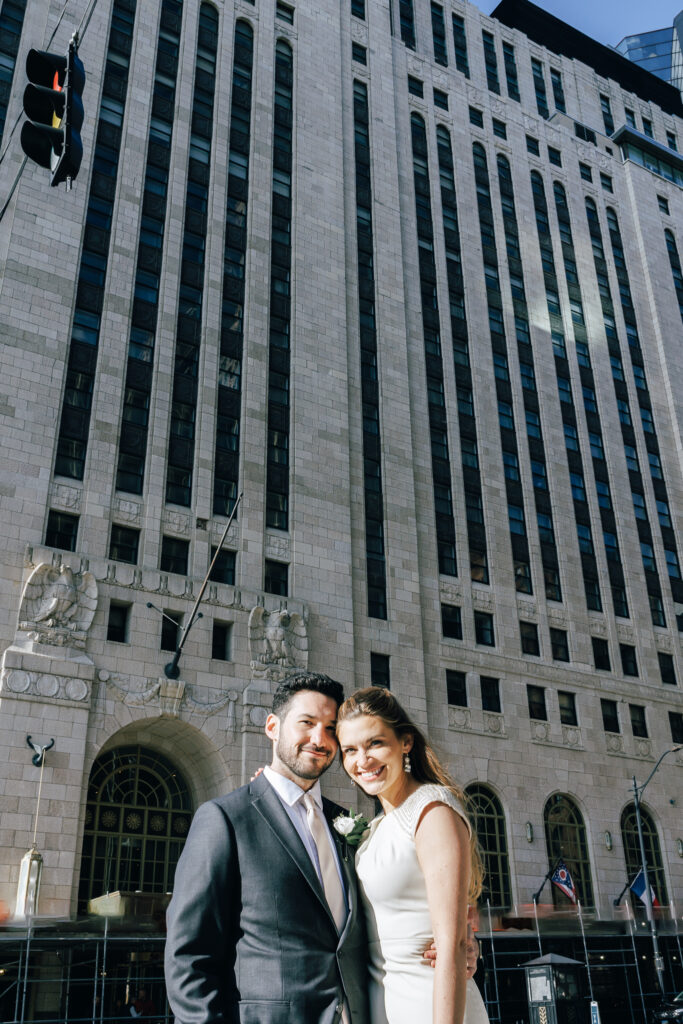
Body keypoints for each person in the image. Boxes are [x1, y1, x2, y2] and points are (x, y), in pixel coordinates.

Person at [165, 671, 370, 1023]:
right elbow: (189, 957)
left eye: (331, 728)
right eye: (306, 723)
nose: (319, 739)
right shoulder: (224, 819)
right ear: (272, 727)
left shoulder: (346, 824)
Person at [336, 686, 489, 1024]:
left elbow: (451, 945)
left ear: (405, 742)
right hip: (383, 1006)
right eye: (350, 750)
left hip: (429, 1003)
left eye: (375, 743)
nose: (362, 761)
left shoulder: (432, 809)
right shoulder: (377, 826)